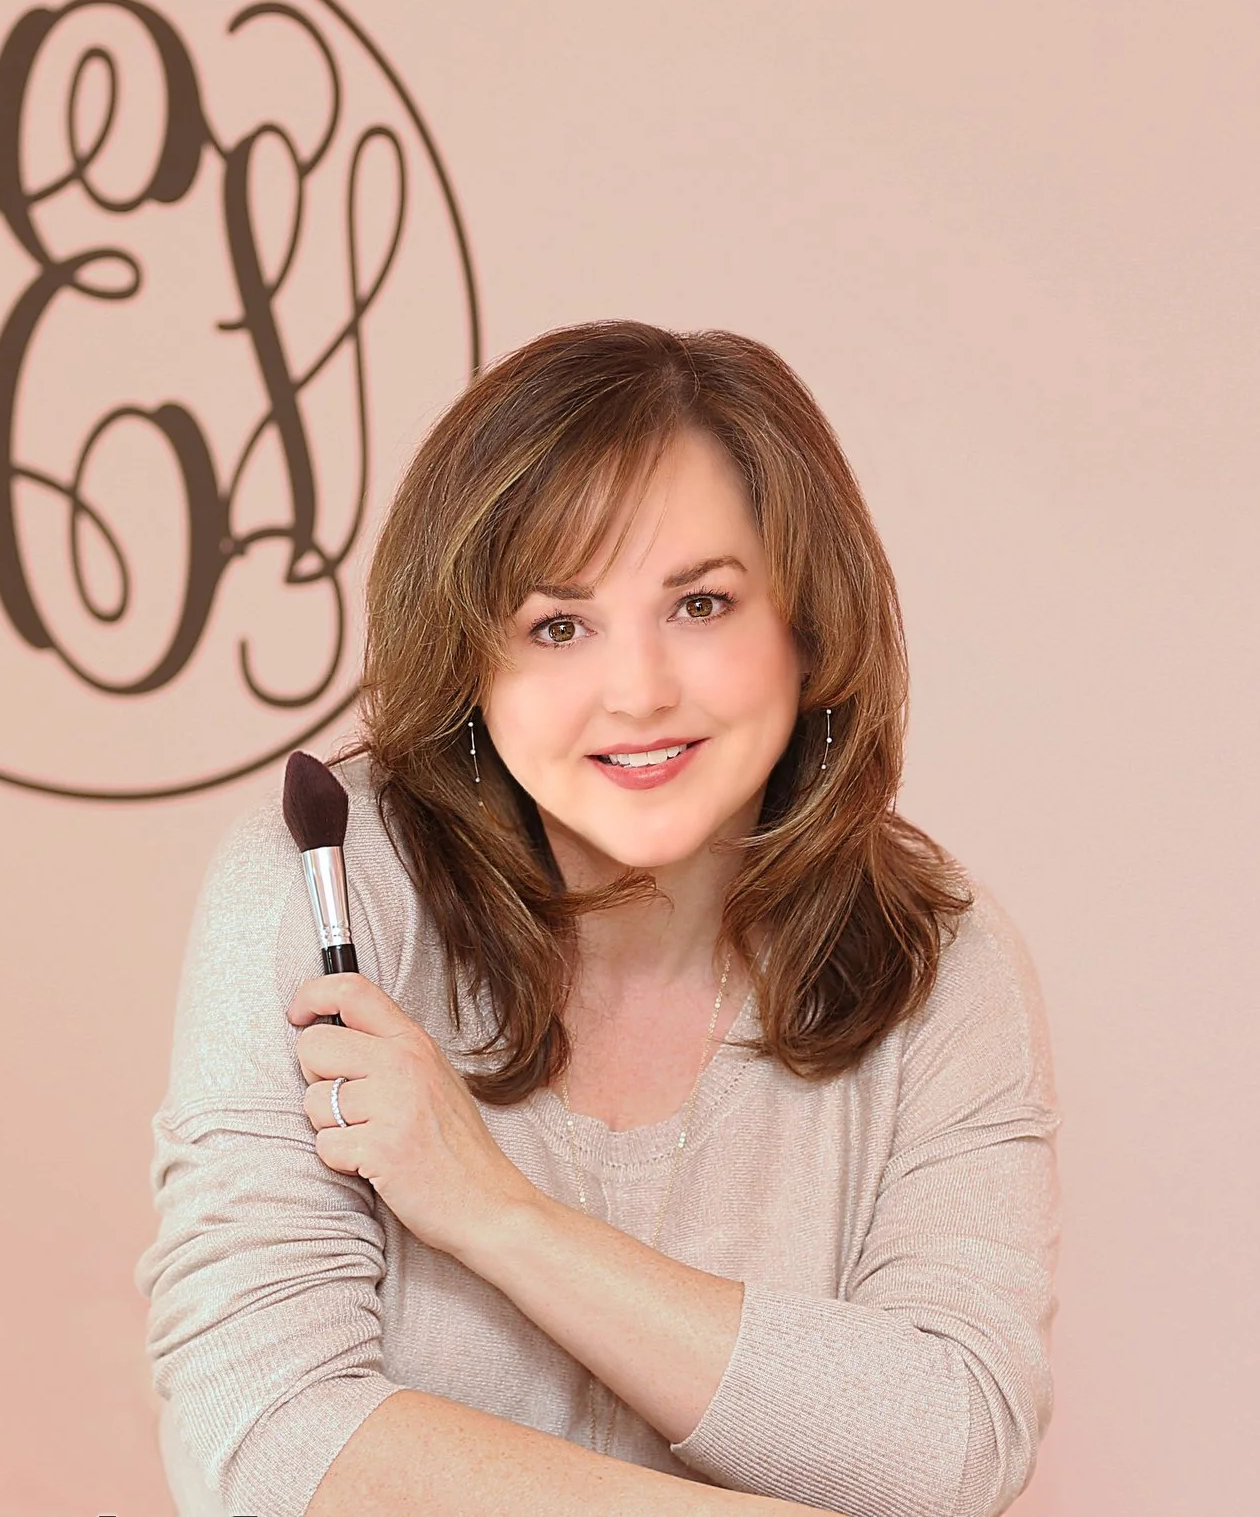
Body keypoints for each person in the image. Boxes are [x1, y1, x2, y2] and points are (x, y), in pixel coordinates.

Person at [137, 322, 1060, 1517]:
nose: (638, 691)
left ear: (807, 626)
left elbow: (953, 1443)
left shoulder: (933, 959)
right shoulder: (328, 880)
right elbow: (259, 1435)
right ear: (473, 662)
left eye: (702, 603)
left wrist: (501, 1215)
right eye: (557, 624)